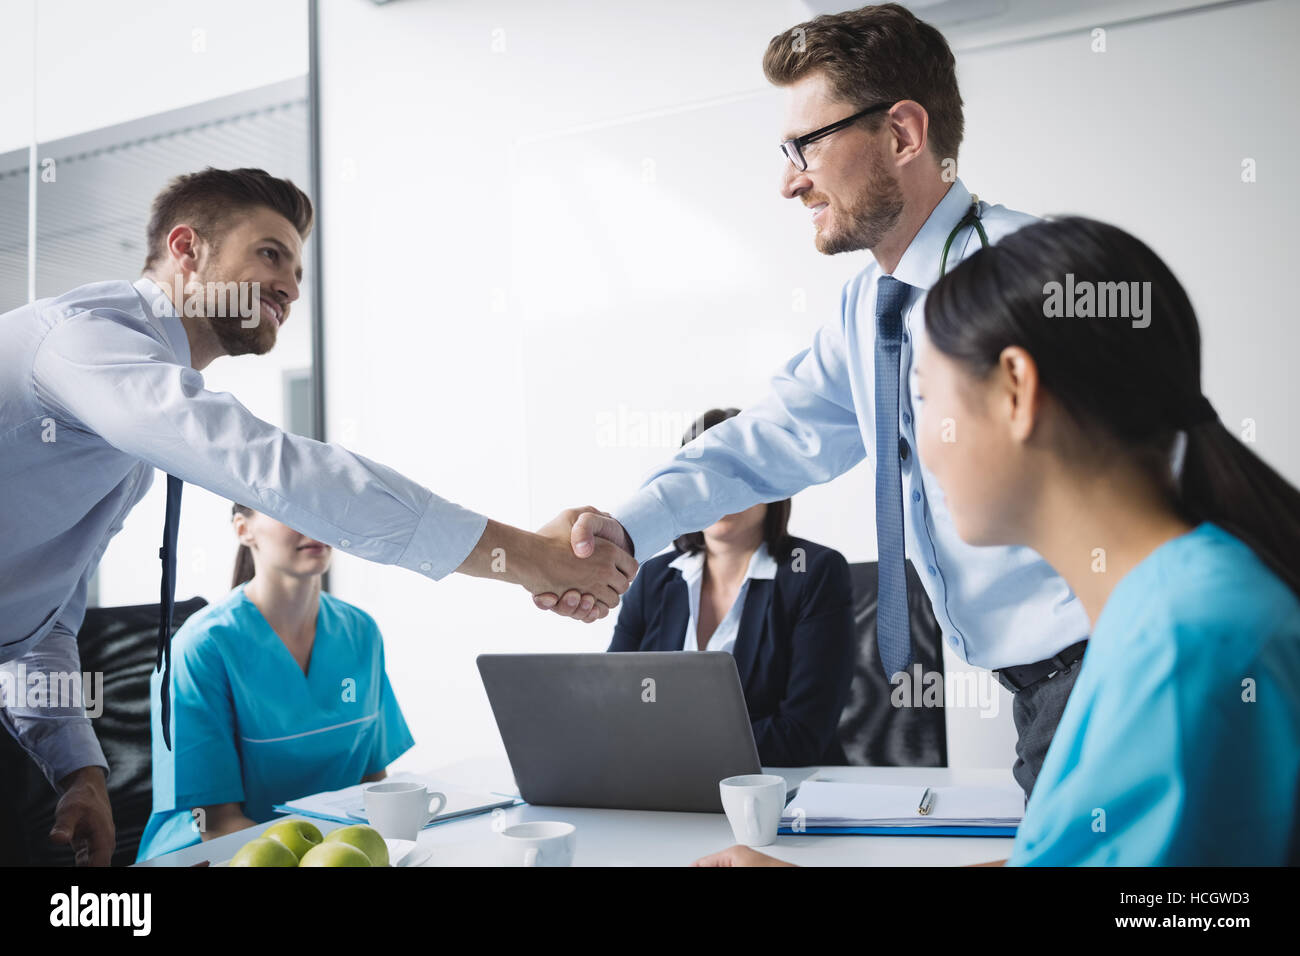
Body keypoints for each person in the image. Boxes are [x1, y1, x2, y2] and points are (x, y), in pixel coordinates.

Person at [0, 166, 634, 865]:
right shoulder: (82, 340)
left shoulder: (125, 436)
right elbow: (271, 467)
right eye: (269, 253)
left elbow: (39, 626)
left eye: (298, 270)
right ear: (186, 249)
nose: (291, 287)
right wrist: (528, 556)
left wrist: (78, 774)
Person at [538, 3, 1087, 801]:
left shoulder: (1032, 276)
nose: (790, 180)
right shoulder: (871, 310)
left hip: (1111, 671)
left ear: (902, 134)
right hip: (1040, 694)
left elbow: (1158, 484)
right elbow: (767, 441)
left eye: (808, 145)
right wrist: (626, 530)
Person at [692, 216, 1300, 866]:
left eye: (923, 399)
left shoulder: (1184, 646)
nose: (914, 448)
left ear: (1016, 390)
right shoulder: (1165, 607)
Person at [135, 505, 414, 861]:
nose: (316, 521)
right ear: (243, 529)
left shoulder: (361, 632)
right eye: (289, 505)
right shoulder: (202, 647)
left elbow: (372, 787)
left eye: (323, 504)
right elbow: (217, 823)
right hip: (215, 856)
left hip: (331, 856)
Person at [609, 409, 854, 766]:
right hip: (666, 794)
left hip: (784, 796)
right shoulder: (653, 578)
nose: (716, 492)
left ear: (771, 482)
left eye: (733, 474)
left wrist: (670, 747)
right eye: (702, 477)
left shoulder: (814, 574)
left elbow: (801, 736)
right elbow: (612, 705)